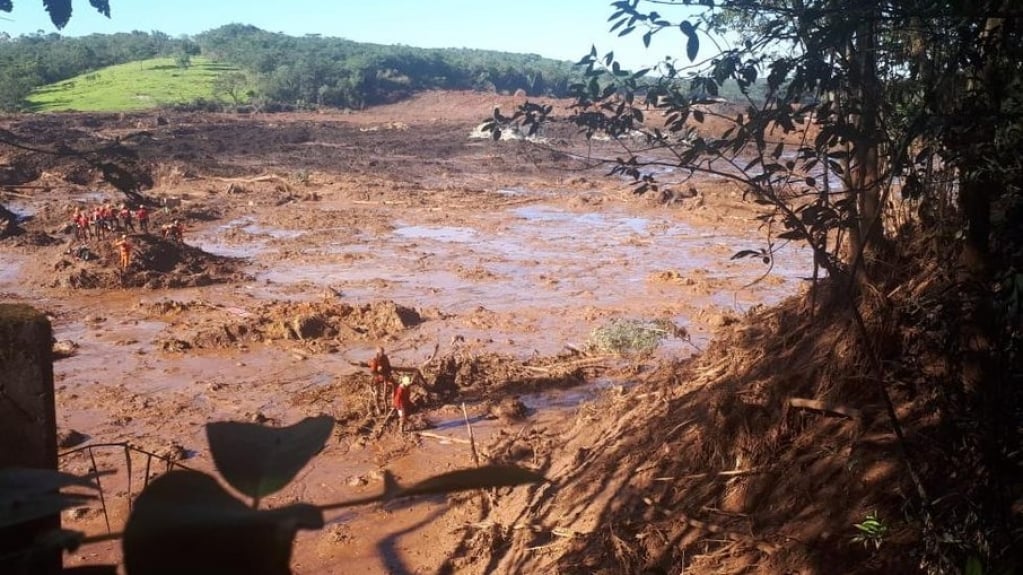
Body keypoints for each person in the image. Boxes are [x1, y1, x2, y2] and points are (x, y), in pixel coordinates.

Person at [369, 346, 394, 412]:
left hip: (385, 377)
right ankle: (378, 408)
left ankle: (388, 407)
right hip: (377, 378)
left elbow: (389, 367)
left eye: (383, 352)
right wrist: (378, 371)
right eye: (380, 352)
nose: (382, 353)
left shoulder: (385, 358)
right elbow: (372, 371)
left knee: (385, 394)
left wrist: (389, 373)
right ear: (377, 352)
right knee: (376, 393)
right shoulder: (375, 360)